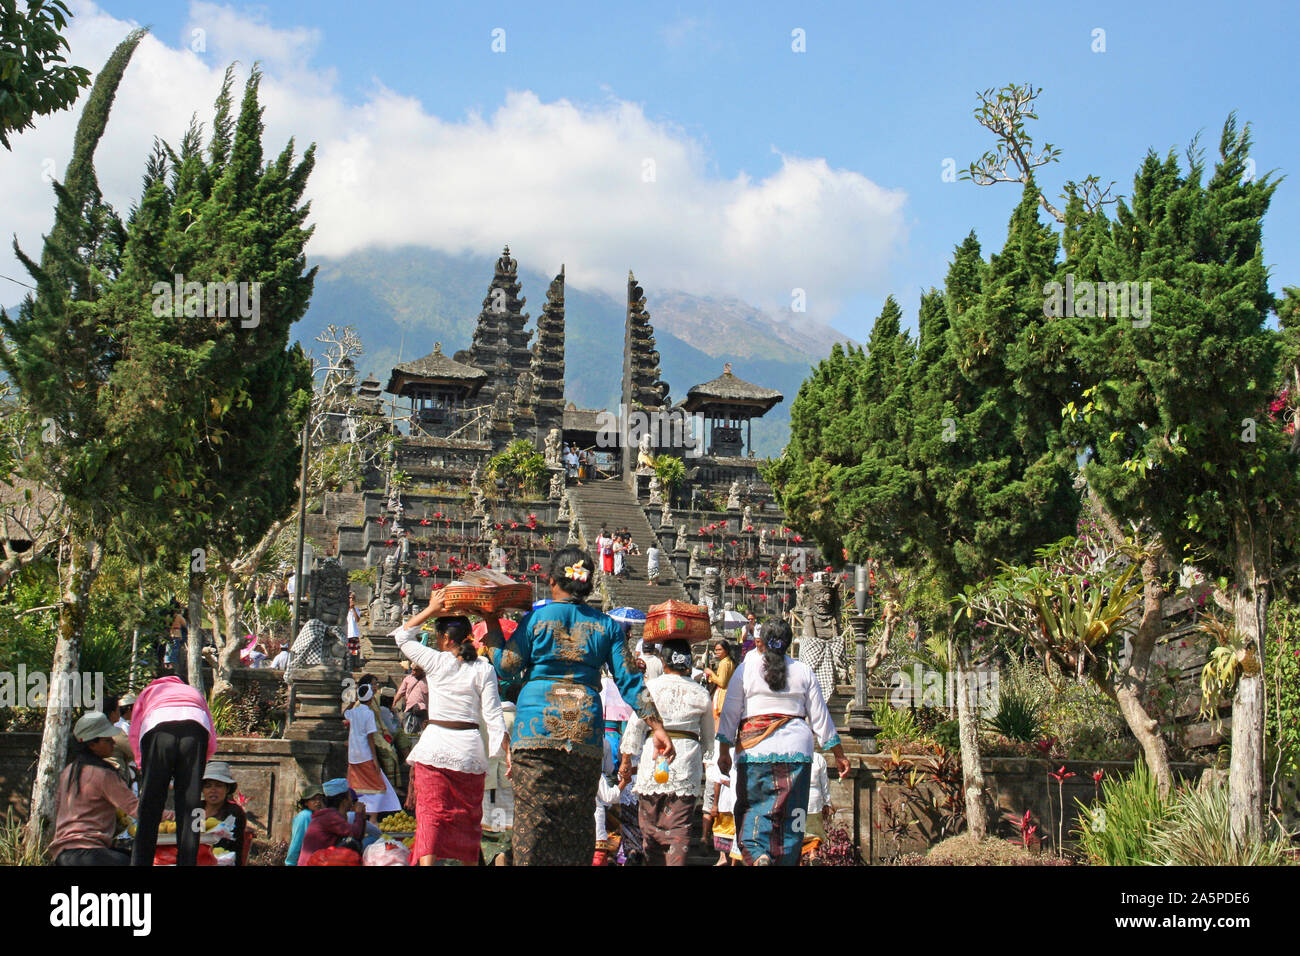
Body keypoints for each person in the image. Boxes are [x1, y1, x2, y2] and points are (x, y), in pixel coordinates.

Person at [479, 546, 674, 865]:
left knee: (533, 821)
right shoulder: (607, 626)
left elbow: (506, 666)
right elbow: (630, 682)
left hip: (534, 731)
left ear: (554, 581)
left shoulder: (537, 619)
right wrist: (657, 727)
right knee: (578, 820)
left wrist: (491, 622)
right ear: (587, 585)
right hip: (583, 735)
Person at [716, 619, 849, 866]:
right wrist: (839, 755)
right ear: (788, 643)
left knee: (752, 806)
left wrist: (723, 751)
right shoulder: (803, 670)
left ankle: (758, 854)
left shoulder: (745, 669)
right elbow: (821, 719)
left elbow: (730, 713)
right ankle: (786, 858)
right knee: (792, 812)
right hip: (797, 751)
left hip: (754, 751)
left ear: (762, 642)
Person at [392, 598, 509, 866]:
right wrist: (502, 756)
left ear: (445, 639)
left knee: (430, 817)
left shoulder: (436, 661)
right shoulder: (484, 668)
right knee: (467, 822)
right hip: (469, 753)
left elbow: (402, 636)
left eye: (436, 637)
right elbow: (493, 716)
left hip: (435, 748)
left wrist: (432, 609)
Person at [619, 639, 714, 866]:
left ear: (663, 661)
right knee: (679, 827)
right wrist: (708, 764)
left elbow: (634, 727)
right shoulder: (701, 693)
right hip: (685, 763)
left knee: (649, 827)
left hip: (653, 760)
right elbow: (709, 739)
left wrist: (625, 760)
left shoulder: (650, 688)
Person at [129, 675, 217, 866]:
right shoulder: (193, 692)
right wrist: (201, 760)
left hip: (159, 729)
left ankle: (140, 862)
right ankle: (188, 861)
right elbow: (210, 729)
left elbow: (135, 730)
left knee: (150, 804)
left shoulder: (149, 691)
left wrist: (139, 761)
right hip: (195, 731)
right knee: (191, 805)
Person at [48, 712, 139, 866]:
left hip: (63, 855)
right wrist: (172, 816)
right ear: (92, 744)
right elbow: (136, 808)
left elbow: (58, 809)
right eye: (107, 739)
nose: (113, 743)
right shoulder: (104, 774)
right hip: (89, 853)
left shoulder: (69, 771)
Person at [343, 677, 402, 823]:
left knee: (356, 786)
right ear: (370, 699)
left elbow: (344, 714)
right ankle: (373, 817)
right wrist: (375, 759)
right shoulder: (368, 713)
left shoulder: (354, 712)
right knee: (378, 787)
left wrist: (351, 702)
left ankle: (359, 814)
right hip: (365, 755)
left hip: (353, 756)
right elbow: (370, 738)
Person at [300, 778, 366, 861]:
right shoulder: (330, 817)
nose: (351, 801)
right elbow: (355, 833)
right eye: (349, 797)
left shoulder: (332, 815)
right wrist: (358, 813)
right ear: (344, 801)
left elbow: (357, 839)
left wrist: (362, 817)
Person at [200, 761, 248, 865]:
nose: (213, 790)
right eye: (208, 786)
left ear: (227, 789)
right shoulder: (196, 809)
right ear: (203, 790)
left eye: (218, 786)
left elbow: (238, 847)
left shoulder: (234, 812)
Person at [285, 784, 324, 866]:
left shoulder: (316, 816)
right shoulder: (304, 816)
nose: (318, 802)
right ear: (306, 802)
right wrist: (290, 863)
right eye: (314, 799)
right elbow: (296, 842)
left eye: (320, 799)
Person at [705, 639, 739, 724]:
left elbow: (722, 683)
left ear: (726, 650)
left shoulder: (724, 663)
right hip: (728, 694)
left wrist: (711, 673)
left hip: (722, 695)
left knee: (718, 723)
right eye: (716, 650)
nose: (717, 652)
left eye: (720, 649)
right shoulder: (728, 661)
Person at [394, 662, 429, 736]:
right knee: (407, 733)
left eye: (415, 670)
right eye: (412, 669)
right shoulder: (408, 679)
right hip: (409, 709)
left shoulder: (428, 680)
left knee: (422, 734)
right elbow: (400, 692)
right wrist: (394, 703)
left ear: (421, 670)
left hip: (422, 711)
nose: (413, 672)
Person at [346, 592, 363, 670]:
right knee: (346, 652)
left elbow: (357, 619)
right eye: (350, 598)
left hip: (354, 634)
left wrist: (353, 609)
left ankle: (353, 667)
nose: (351, 600)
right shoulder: (344, 609)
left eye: (353, 598)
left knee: (354, 653)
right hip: (346, 634)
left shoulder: (356, 609)